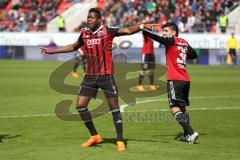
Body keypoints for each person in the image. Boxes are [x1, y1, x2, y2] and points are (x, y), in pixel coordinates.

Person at [40, 8, 142, 151]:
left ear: (99, 19)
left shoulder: (108, 30)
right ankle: (95, 136)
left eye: (92, 17)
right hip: (90, 76)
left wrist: (142, 26)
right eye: (88, 17)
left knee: (114, 107)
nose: (89, 20)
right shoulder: (84, 33)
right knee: (80, 105)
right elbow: (74, 46)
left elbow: (129, 31)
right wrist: (53, 51)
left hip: (106, 76)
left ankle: (119, 140)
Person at [140, 22, 199, 144]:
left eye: (166, 31)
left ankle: (191, 132)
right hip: (185, 80)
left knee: (174, 108)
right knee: (181, 108)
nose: (164, 33)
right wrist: (180, 54)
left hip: (174, 79)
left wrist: (144, 29)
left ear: (174, 32)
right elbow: (194, 55)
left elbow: (157, 38)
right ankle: (186, 134)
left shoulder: (171, 40)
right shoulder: (183, 42)